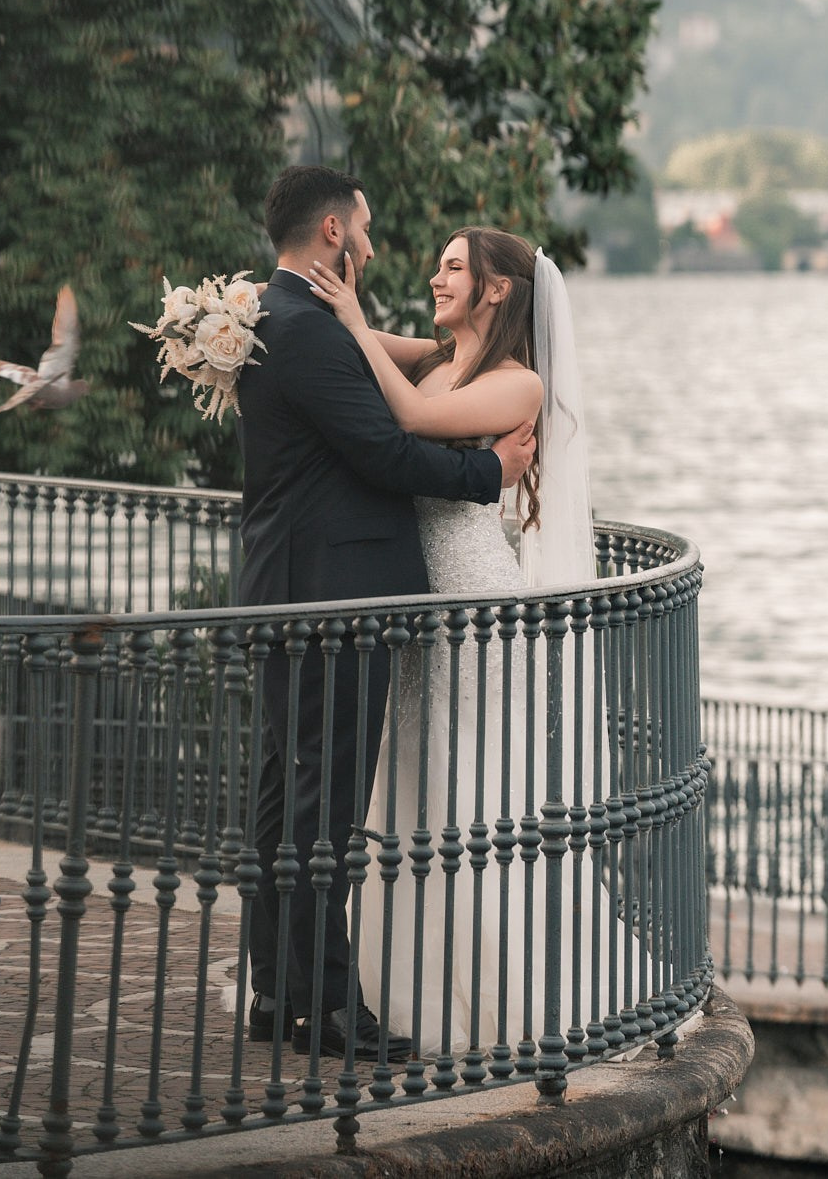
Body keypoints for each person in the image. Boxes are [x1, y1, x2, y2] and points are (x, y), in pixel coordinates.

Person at [235, 167, 537, 1061]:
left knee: (288, 798)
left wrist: (365, 325)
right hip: (341, 595)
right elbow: (383, 449)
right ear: (332, 231)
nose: (372, 247)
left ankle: (279, 992)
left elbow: (408, 368)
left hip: (303, 585)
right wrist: (489, 476)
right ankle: (325, 1007)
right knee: (318, 807)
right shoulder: (314, 332)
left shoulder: (278, 317)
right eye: (362, 230)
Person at [299, 226, 608, 1060]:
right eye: (437, 264)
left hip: (475, 603)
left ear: (498, 289)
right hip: (419, 603)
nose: (435, 276)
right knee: (411, 784)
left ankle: (501, 992)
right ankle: (399, 981)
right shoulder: (444, 359)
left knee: (471, 789)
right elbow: (404, 360)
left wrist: (356, 320)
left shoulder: (519, 385)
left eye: (454, 267)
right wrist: (340, 318)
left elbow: (416, 419)